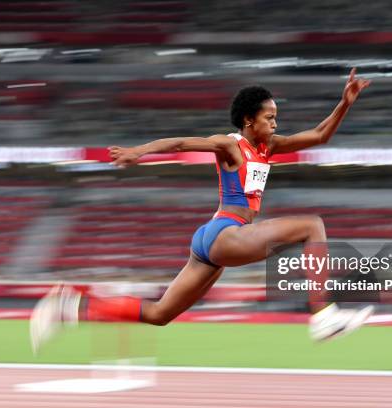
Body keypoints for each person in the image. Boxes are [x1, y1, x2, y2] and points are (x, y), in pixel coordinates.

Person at [30, 68, 373, 353]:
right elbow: (180, 143)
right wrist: (139, 151)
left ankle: (68, 308)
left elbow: (319, 136)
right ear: (248, 119)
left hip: (213, 242)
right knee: (312, 226)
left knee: (160, 313)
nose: (275, 124)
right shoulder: (229, 144)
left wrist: (344, 103)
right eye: (269, 118)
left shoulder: (270, 146)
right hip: (225, 232)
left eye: (276, 119)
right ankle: (323, 314)